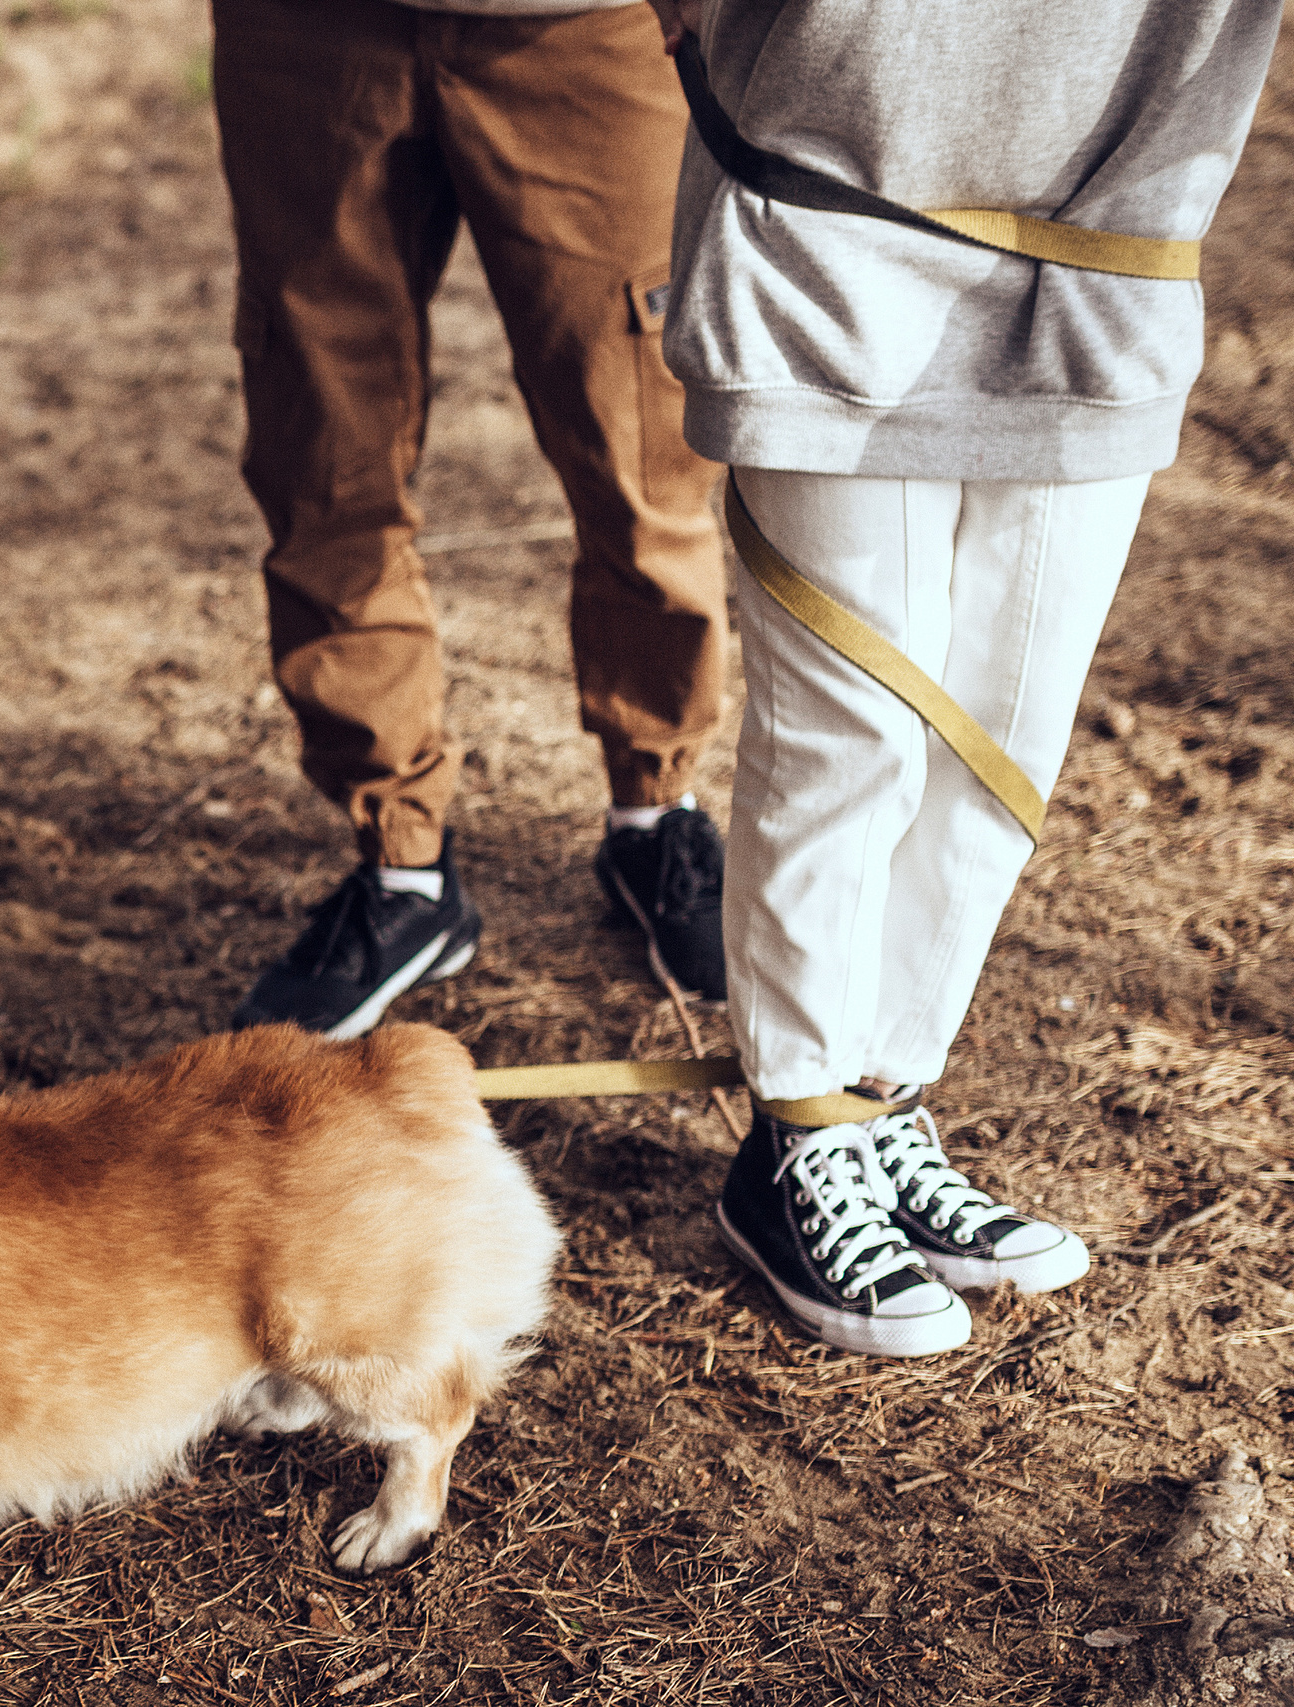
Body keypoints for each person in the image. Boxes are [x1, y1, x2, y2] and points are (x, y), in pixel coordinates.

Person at [653, 0, 1281, 1355]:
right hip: (825, 231)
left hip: (1113, 264)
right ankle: (799, 1127)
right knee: (850, 732)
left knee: (1001, 741)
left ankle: (879, 1096)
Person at [210, 0, 736, 1042]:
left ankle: (654, 812)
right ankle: (400, 866)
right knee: (322, 452)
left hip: (584, 26)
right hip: (307, 35)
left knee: (640, 449)